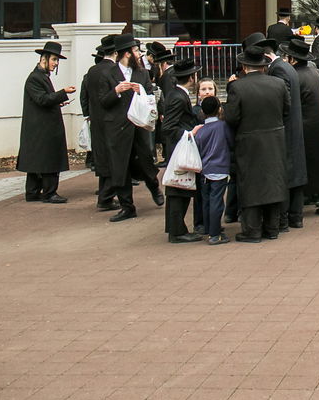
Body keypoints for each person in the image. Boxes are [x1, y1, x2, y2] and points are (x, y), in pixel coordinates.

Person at [223, 45, 289, 242]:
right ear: (264, 65)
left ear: (244, 66)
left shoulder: (237, 87)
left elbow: (232, 118)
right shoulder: (278, 84)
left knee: (251, 184)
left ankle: (252, 230)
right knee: (273, 181)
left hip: (249, 140)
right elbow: (287, 110)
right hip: (275, 139)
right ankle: (272, 227)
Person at [244, 32, 307, 233]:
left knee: (287, 173)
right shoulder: (286, 66)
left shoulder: (278, 70)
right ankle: (295, 217)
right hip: (292, 127)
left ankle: (285, 218)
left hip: (284, 129)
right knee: (294, 172)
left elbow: (281, 101)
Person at [98, 34, 164, 222]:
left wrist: (140, 91)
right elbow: (103, 101)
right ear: (127, 53)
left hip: (139, 126)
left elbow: (151, 97)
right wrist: (116, 91)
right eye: (136, 51)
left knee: (145, 162)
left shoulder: (142, 74)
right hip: (117, 128)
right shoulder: (108, 74)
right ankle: (127, 206)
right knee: (120, 167)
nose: (139, 54)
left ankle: (154, 186)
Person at [17, 40, 75, 204]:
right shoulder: (35, 78)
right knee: (48, 159)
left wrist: (58, 100)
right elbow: (42, 99)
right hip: (42, 128)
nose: (56, 64)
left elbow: (43, 99)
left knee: (38, 160)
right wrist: (63, 93)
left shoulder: (39, 76)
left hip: (40, 128)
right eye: (54, 60)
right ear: (45, 58)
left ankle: (33, 192)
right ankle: (49, 192)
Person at [284, 38, 319, 217]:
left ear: (292, 59)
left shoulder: (292, 76)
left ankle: (299, 202)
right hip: (318, 124)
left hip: (300, 125)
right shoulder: (314, 72)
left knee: (300, 165)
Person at [159, 57, 201, 243]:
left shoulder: (177, 94)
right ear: (192, 77)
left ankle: (176, 228)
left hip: (178, 147)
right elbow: (168, 127)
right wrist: (189, 133)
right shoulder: (177, 97)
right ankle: (177, 231)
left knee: (179, 188)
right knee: (179, 188)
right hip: (180, 148)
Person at [80, 35, 120, 211]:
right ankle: (106, 197)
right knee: (113, 159)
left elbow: (86, 96)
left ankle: (106, 196)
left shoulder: (92, 71)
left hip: (96, 121)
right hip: (111, 121)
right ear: (116, 52)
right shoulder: (113, 71)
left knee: (102, 160)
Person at [193, 95, 233, 244]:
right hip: (220, 168)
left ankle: (209, 228)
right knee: (217, 200)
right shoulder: (223, 126)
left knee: (207, 200)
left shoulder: (201, 130)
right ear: (219, 109)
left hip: (205, 170)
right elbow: (230, 142)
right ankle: (215, 234)